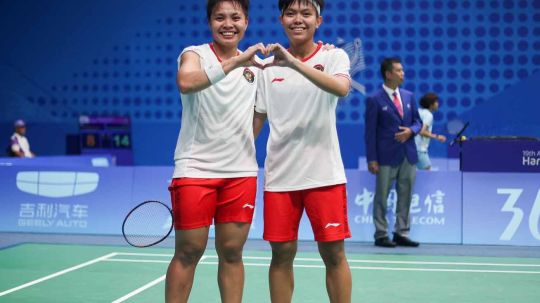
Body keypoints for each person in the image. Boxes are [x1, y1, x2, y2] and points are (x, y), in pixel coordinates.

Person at [165, 1, 266, 302]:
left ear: (246, 22)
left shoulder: (257, 69)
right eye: (220, 17)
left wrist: (242, 141)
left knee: (232, 252)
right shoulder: (194, 54)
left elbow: (259, 112)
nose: (228, 24)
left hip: (240, 173)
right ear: (209, 22)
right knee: (188, 251)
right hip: (195, 170)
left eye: (235, 17)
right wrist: (237, 62)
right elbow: (186, 82)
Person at [253, 1, 352, 302]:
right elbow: (256, 120)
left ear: (318, 20)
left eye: (306, 14)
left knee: (333, 254)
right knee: (281, 255)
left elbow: (340, 88)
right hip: (281, 177)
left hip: (325, 175)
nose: (298, 20)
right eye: (291, 13)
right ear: (281, 19)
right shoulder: (266, 69)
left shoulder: (334, 56)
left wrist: (294, 63)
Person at [364, 57, 423, 248]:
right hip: (385, 157)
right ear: (388, 74)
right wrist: (372, 158)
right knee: (382, 196)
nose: (402, 73)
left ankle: (401, 232)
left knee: (405, 195)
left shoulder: (408, 96)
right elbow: (370, 132)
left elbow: (418, 122)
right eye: (398, 70)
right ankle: (381, 234)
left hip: (408, 154)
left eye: (402, 70)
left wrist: (411, 131)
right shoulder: (374, 99)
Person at [415, 92, 447, 170]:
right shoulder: (429, 115)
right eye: (436, 102)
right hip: (420, 150)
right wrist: (437, 136)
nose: (438, 104)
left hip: (411, 148)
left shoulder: (418, 111)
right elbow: (422, 131)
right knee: (428, 174)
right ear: (431, 104)